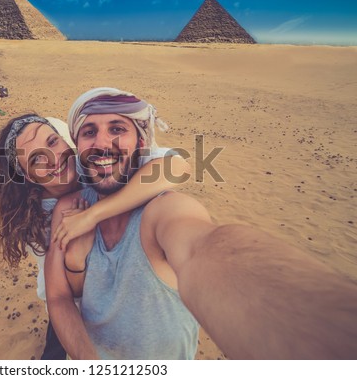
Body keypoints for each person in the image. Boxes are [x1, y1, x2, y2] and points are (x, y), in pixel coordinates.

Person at [45, 87, 357, 360]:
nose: (102, 143)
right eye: (89, 132)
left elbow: (203, 249)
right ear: (78, 146)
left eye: (117, 129)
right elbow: (58, 298)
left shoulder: (163, 209)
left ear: (141, 143)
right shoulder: (70, 207)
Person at [0, 112, 190, 359]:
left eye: (52, 142)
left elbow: (177, 166)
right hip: (74, 298)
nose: (53, 159)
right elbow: (67, 291)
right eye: (37, 159)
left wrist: (94, 214)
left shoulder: (92, 163)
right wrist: (75, 260)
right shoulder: (37, 220)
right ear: (28, 176)